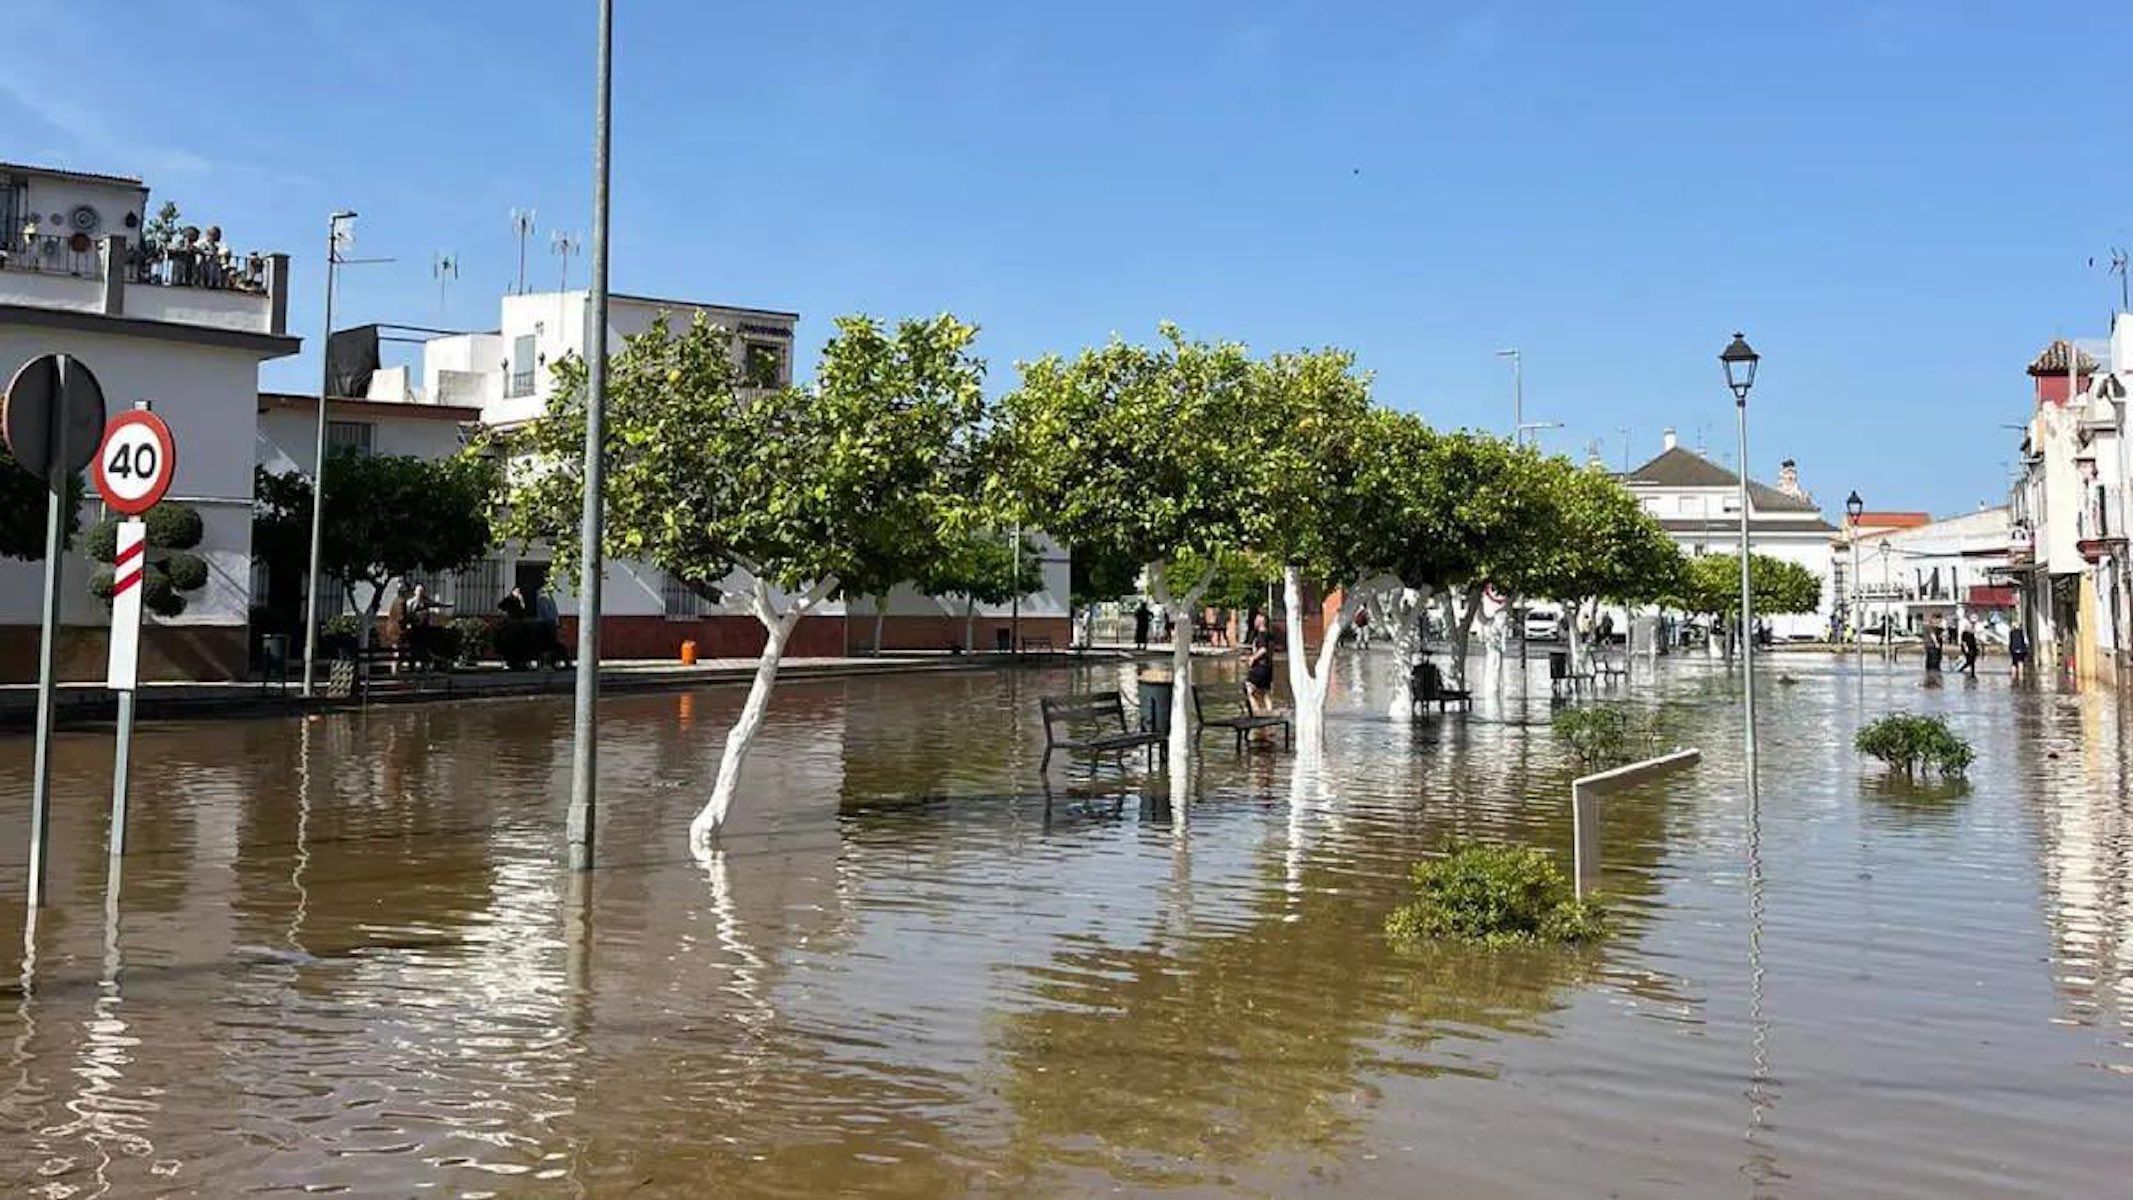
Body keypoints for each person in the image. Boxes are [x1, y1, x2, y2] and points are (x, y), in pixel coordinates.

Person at [1243, 612, 1278, 717]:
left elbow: (1263, 649)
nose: (1254, 622)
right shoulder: (1269, 634)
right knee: (1265, 693)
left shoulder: (1261, 634)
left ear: (1260, 622)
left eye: (1256, 620)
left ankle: (1256, 712)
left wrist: (1252, 658)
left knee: (1248, 689)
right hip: (1268, 667)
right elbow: (1268, 651)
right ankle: (1270, 714)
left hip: (1260, 668)